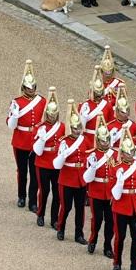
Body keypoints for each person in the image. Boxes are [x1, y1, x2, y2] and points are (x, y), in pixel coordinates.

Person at [8, 60, 44, 209]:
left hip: (35, 140)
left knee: (35, 173)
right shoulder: (16, 102)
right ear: (23, 88)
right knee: (22, 171)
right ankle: (21, 196)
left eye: (33, 87)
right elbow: (11, 125)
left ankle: (33, 201)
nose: (31, 90)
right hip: (20, 141)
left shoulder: (42, 101)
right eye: (28, 88)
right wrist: (15, 115)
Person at [54, 99, 90, 243]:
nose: (77, 131)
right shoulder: (64, 141)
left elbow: (88, 156)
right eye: (74, 128)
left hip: (80, 178)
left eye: (78, 128)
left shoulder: (85, 140)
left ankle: (78, 233)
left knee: (80, 208)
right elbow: (59, 162)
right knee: (66, 206)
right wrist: (63, 154)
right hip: (67, 178)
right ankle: (61, 228)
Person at [110, 135, 136, 270]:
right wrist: (119, 182)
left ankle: (134, 265)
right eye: (128, 152)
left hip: (135, 205)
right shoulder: (116, 168)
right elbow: (114, 191)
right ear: (122, 153)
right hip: (121, 205)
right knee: (120, 237)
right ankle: (117, 262)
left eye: (132, 152)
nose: (130, 155)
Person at [31, 88, 65, 228]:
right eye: (50, 115)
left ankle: (54, 219)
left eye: (54, 114)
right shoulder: (40, 127)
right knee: (44, 191)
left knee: (57, 194)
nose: (52, 117)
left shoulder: (61, 126)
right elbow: (36, 150)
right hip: (43, 162)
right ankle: (40, 214)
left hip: (56, 163)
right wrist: (42, 139)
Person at [83, 124, 115, 254]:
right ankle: (93, 240)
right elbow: (88, 178)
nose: (105, 143)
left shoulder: (115, 154)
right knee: (97, 220)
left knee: (110, 221)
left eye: (107, 140)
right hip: (96, 191)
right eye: (103, 140)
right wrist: (92, 167)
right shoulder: (92, 155)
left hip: (110, 192)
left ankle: (108, 246)